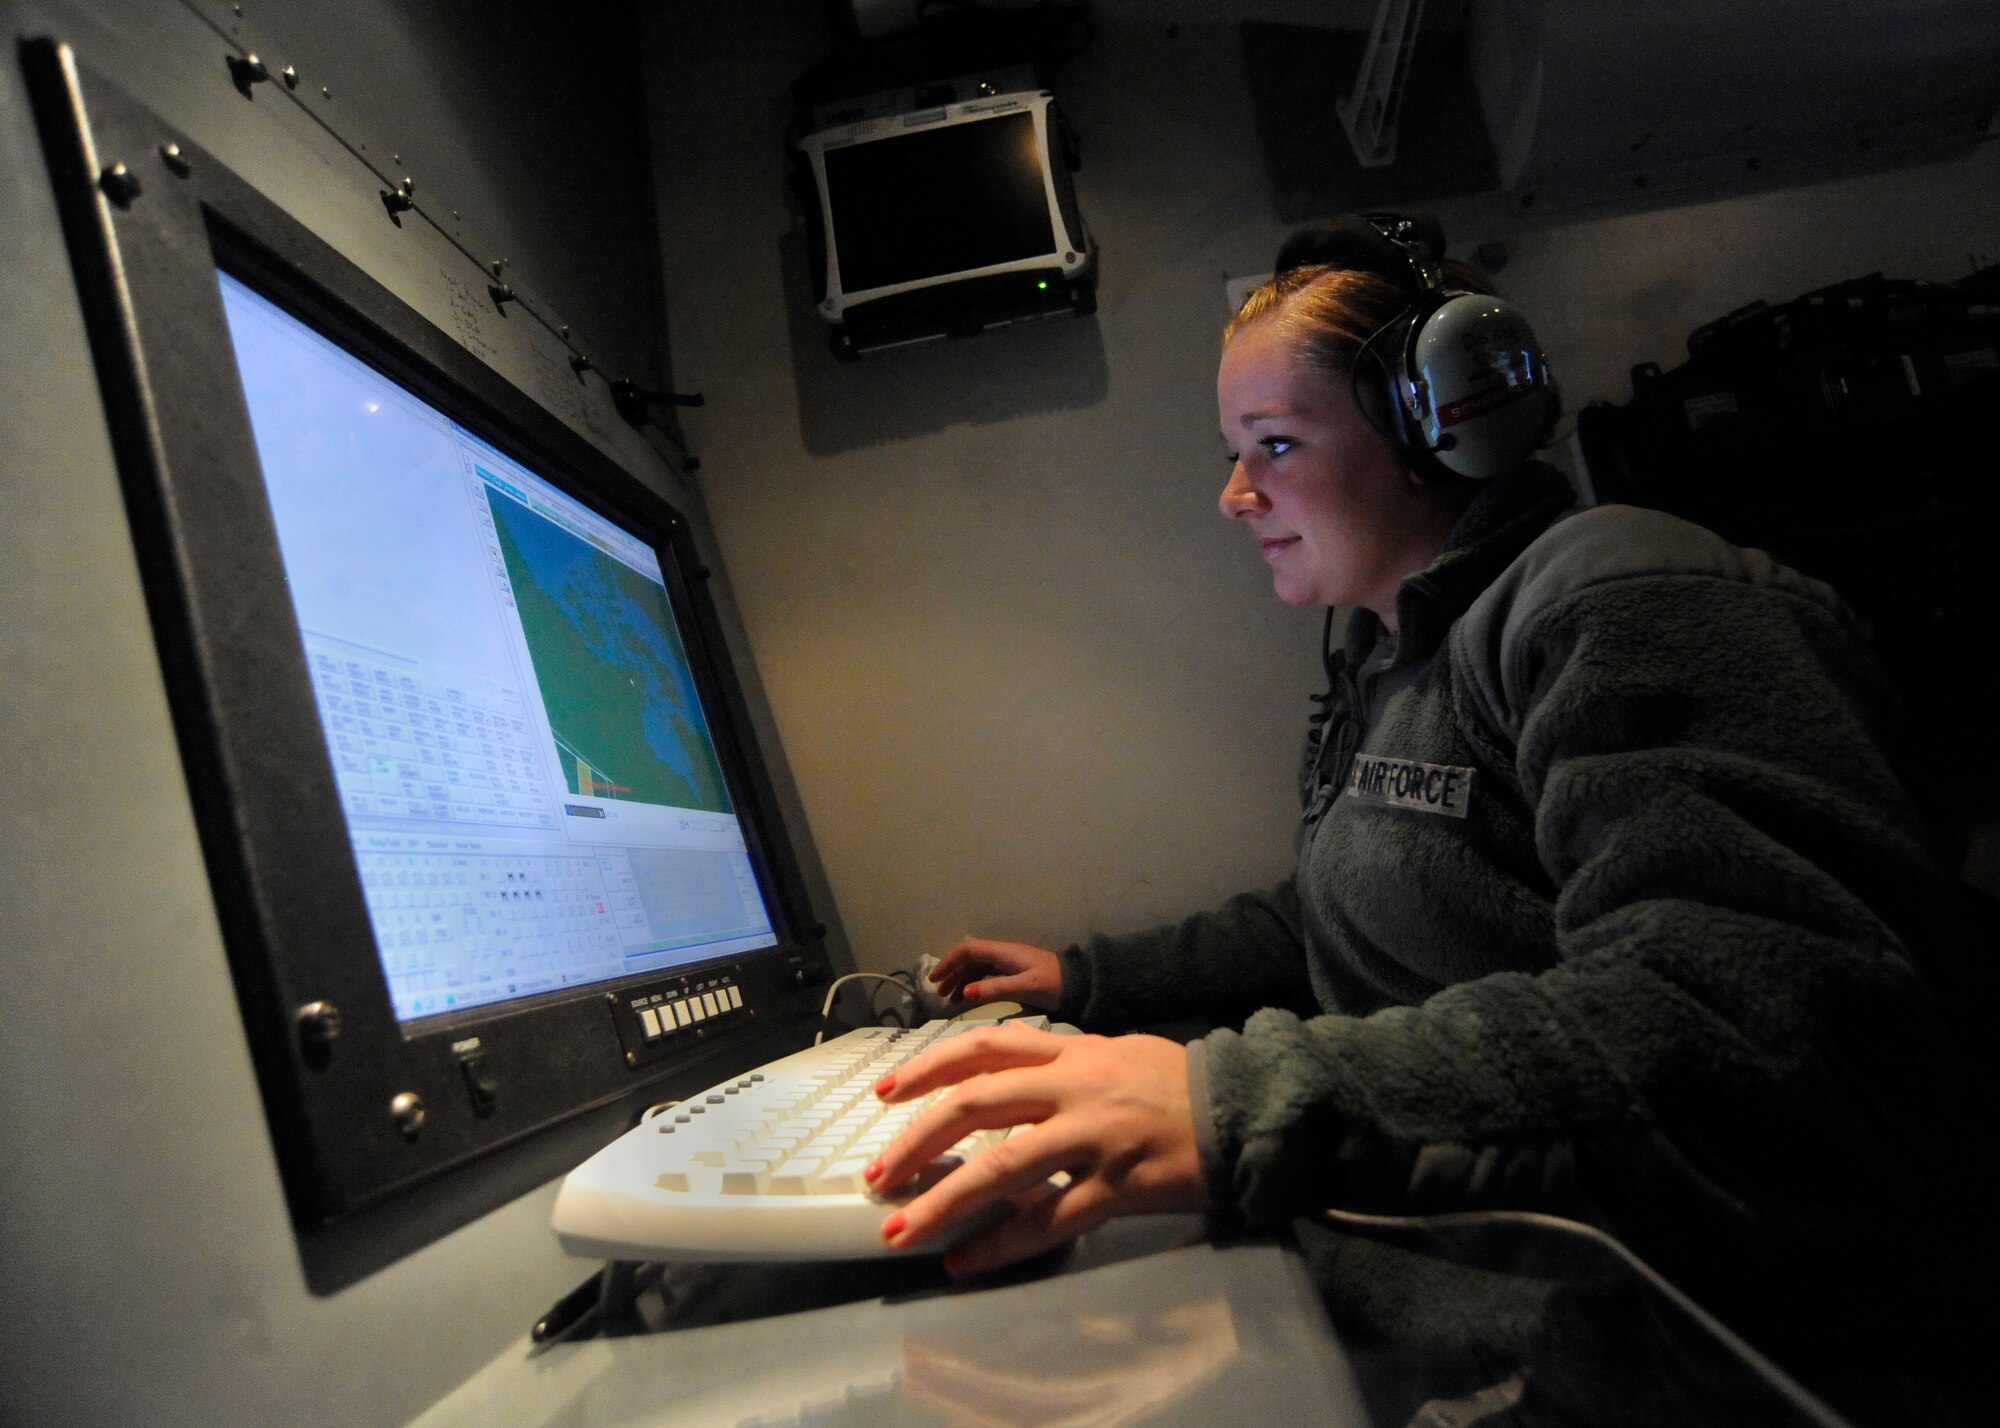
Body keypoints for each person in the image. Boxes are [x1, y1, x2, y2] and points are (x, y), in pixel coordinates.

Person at [862, 225, 1989, 1422]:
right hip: (1472, 1297)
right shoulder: (1395, 661)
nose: (1233, 493)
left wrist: (1232, 1104)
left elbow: (1751, 1016)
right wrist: (1091, 977)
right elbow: (1345, 907)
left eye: (1274, 445)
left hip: (1707, 1356)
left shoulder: (1620, 591)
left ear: (1435, 433)